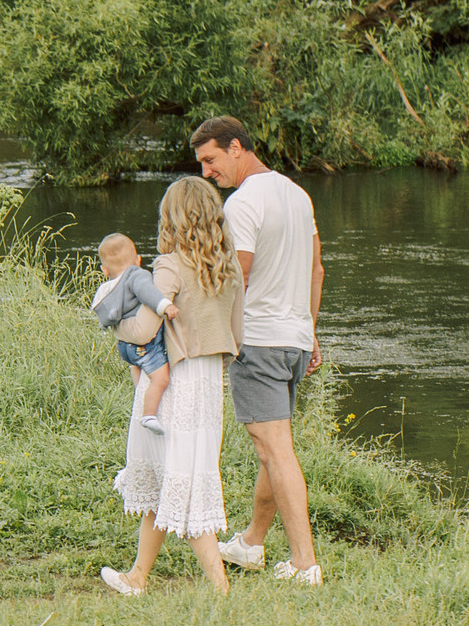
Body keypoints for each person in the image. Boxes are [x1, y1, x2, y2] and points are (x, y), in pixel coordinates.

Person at [190, 115, 324, 586]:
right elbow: (317, 270)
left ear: (236, 147)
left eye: (210, 160)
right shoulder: (296, 194)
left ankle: (305, 564)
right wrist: (310, 331)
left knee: (275, 451)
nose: (208, 173)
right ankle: (251, 543)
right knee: (275, 447)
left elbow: (236, 277)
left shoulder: (244, 203)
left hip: (261, 342)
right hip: (292, 341)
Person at [103, 177, 241, 596]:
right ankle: (138, 577)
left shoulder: (169, 264)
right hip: (208, 381)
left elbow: (145, 328)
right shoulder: (226, 265)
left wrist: (114, 325)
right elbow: (236, 329)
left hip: (173, 382)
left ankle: (220, 587)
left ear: (172, 217)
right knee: (177, 476)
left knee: (181, 478)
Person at [90, 232, 177, 434]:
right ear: (138, 260)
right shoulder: (136, 275)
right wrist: (165, 306)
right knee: (161, 378)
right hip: (144, 347)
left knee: (140, 372)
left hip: (125, 348)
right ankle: (149, 414)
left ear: (104, 270)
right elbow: (148, 292)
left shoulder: (106, 289)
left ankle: (140, 400)